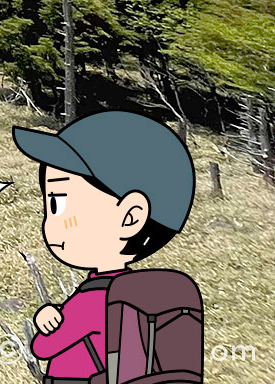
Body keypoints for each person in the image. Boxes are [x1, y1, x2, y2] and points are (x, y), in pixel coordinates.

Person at [11, 110, 196, 384]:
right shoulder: (137, 292)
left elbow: (43, 347)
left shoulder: (94, 298)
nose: (50, 223)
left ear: (130, 217)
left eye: (58, 204)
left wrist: (48, 324)